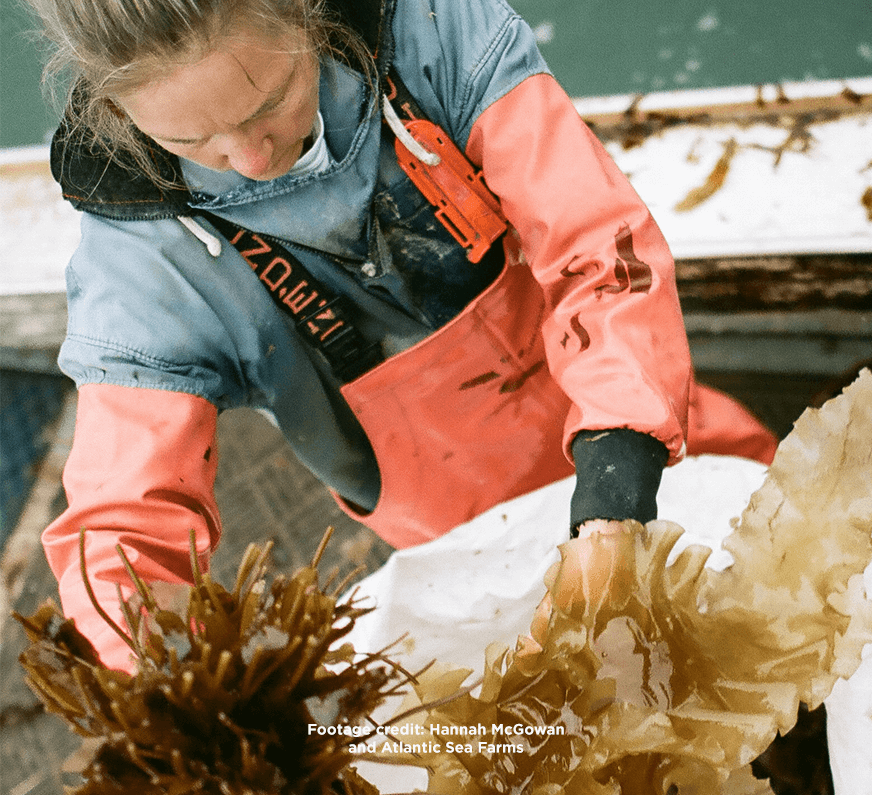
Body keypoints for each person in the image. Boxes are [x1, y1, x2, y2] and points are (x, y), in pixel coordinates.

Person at [27, 0, 776, 671]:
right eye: (192, 139)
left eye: (270, 101)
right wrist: (152, 690)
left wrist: (617, 487)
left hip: (634, 430)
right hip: (449, 530)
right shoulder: (135, 267)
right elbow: (122, 525)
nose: (252, 159)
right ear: (120, 113)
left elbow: (601, 256)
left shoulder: (435, 33)